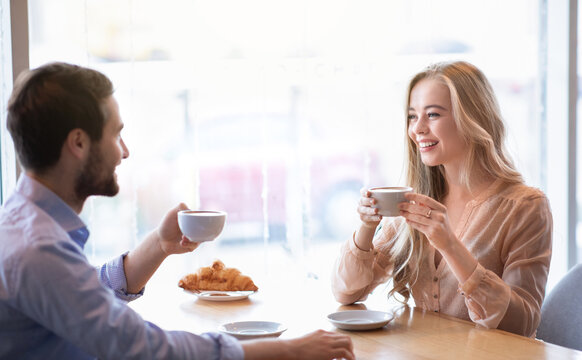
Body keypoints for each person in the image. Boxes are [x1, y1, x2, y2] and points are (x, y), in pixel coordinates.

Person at [0, 62, 354, 360]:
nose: (124, 152)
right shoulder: (38, 248)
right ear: (78, 143)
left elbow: (83, 292)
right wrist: (290, 351)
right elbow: (143, 348)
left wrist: (159, 243)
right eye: (115, 134)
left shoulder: (24, 224)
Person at [331, 61, 552, 338]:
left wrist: (449, 244)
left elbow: (522, 324)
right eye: (413, 116)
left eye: (432, 114)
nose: (417, 129)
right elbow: (347, 293)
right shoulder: (415, 204)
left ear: (472, 118)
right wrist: (366, 226)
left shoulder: (525, 206)